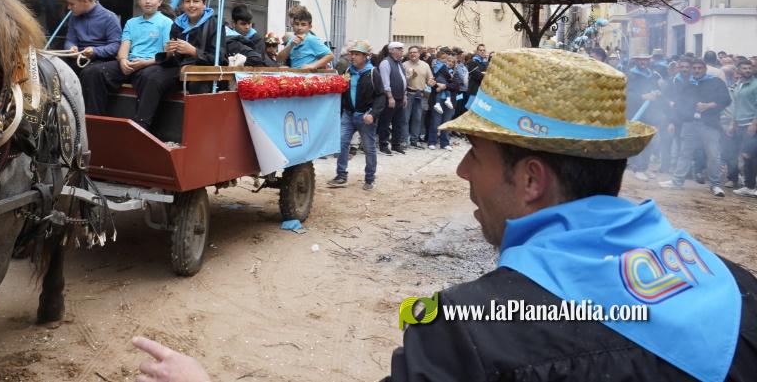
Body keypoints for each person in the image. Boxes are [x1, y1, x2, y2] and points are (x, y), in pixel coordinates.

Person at [131, 49, 757, 381]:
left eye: (475, 155)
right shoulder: (733, 283)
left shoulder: (466, 332)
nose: (462, 173)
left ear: (531, 179)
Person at [131, 0, 227, 131]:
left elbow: (219, 58)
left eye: (196, 1)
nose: (191, 5)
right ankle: (142, 126)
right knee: (150, 76)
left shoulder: (215, 24)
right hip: (180, 69)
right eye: (187, 1)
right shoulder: (177, 24)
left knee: (197, 86)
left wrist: (194, 51)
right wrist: (169, 53)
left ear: (204, 3)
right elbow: (173, 60)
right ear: (182, 4)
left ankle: (197, 131)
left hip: (202, 73)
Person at [80, 0, 173, 116]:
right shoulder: (131, 22)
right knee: (92, 72)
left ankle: (140, 124)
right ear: (139, 1)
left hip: (150, 65)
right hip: (129, 64)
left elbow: (167, 54)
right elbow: (123, 48)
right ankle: (93, 120)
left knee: (148, 77)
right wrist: (123, 60)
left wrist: (145, 63)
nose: (147, 1)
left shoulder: (166, 23)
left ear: (159, 2)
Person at [660, 57, 733, 196]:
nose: (697, 71)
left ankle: (715, 185)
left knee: (713, 155)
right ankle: (677, 181)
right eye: (695, 68)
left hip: (710, 124)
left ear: (705, 69)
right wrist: (684, 111)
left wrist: (709, 105)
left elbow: (725, 100)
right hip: (690, 123)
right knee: (684, 153)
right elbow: (680, 103)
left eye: (700, 68)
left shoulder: (715, 81)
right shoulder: (688, 84)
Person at [328, 40, 386, 191]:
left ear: (366, 57)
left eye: (357, 54)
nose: (353, 57)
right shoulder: (348, 71)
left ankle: (369, 178)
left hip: (365, 116)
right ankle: (341, 175)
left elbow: (381, 96)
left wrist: (373, 114)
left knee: (369, 148)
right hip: (348, 114)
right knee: (341, 143)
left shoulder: (373, 73)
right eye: (352, 54)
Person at [625, 52, 662, 181]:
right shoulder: (630, 75)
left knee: (652, 142)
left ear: (649, 60)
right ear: (636, 60)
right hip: (636, 114)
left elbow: (657, 89)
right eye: (640, 60)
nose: (643, 62)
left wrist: (657, 92)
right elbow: (626, 95)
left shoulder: (652, 75)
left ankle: (645, 167)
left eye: (645, 60)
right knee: (637, 142)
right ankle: (637, 168)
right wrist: (642, 97)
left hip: (651, 113)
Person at [63, 0, 122, 64]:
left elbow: (116, 46)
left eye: (72, 4)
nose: (69, 7)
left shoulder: (110, 17)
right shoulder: (74, 17)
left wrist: (95, 51)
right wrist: (71, 47)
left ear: (85, 1)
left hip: (101, 60)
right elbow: (70, 40)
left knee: (90, 72)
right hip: (79, 57)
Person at [729, 58, 757, 197]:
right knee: (746, 157)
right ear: (738, 70)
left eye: (749, 68)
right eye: (744, 68)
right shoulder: (739, 84)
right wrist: (733, 123)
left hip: (751, 125)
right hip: (740, 124)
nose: (747, 70)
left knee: (750, 155)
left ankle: (752, 186)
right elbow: (737, 106)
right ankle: (749, 185)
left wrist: (754, 124)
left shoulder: (755, 84)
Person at [276, 5, 333, 70]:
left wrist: (313, 65)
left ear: (309, 26)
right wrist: (291, 45)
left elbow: (330, 55)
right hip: (296, 76)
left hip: (308, 77)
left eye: (303, 24)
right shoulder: (292, 39)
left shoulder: (311, 39)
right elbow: (279, 59)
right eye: (296, 24)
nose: (299, 27)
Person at [378, 41, 409, 155]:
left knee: (398, 122)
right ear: (391, 50)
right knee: (385, 122)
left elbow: (404, 80)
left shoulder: (400, 63)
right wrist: (390, 97)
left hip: (400, 97)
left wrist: (404, 96)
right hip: (390, 98)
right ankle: (383, 145)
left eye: (402, 49)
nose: (402, 51)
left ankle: (396, 144)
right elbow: (385, 83)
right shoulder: (385, 63)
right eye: (399, 49)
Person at [403, 46, 434, 150]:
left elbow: (430, 78)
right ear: (408, 54)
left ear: (419, 53)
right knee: (405, 118)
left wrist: (430, 82)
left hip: (420, 95)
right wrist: (410, 77)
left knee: (417, 119)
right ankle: (404, 140)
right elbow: (401, 82)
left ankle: (414, 140)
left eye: (415, 52)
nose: (413, 54)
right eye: (411, 52)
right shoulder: (404, 65)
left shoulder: (425, 65)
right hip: (408, 93)